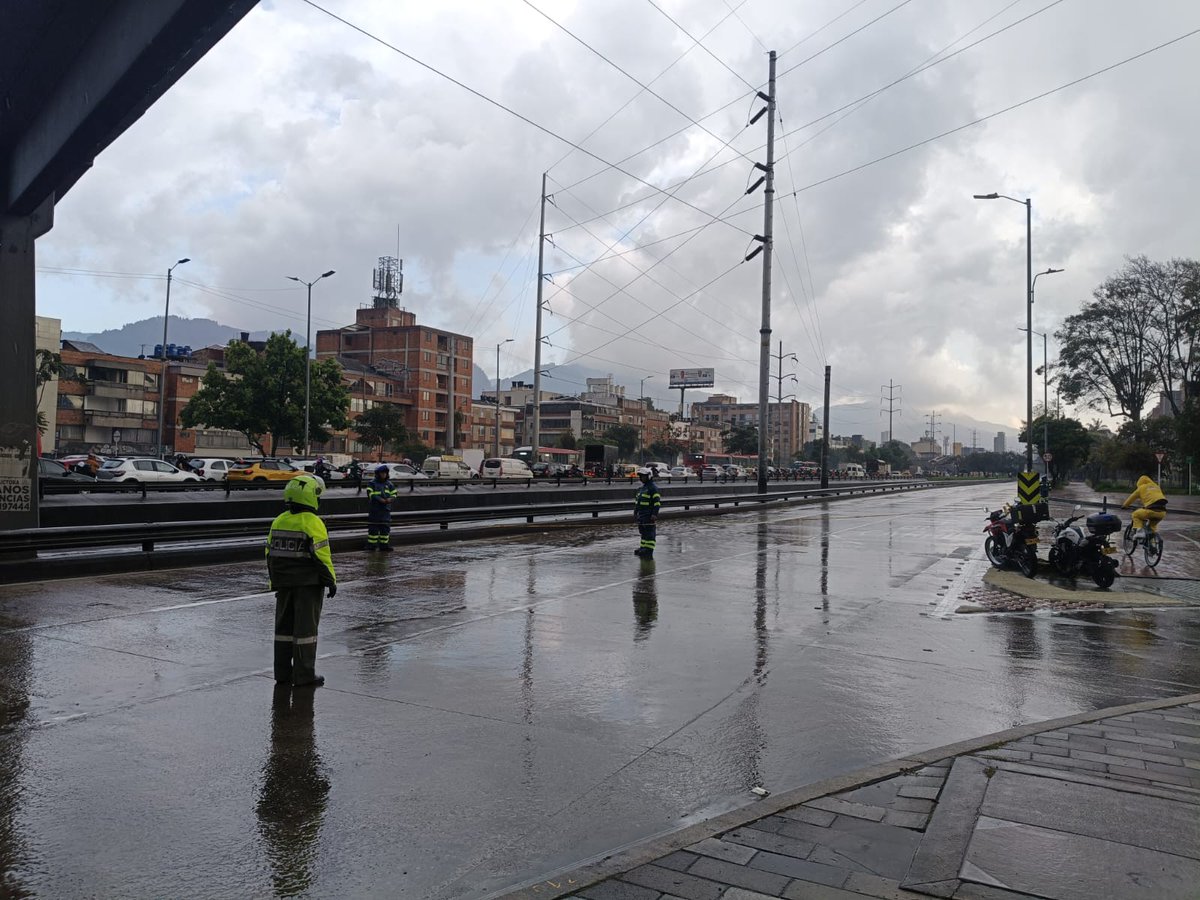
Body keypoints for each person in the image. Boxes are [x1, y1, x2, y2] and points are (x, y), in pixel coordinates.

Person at [266, 475, 336, 688]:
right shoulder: (313, 522)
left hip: (284, 584)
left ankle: (282, 673)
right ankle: (304, 675)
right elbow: (321, 557)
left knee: (283, 631)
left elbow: (269, 554)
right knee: (305, 632)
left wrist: (275, 583)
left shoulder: (279, 520)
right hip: (308, 585)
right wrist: (331, 581)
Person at [1121, 475, 1168, 540]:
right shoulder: (1157, 487)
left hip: (1151, 511)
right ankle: (1152, 546)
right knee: (1152, 528)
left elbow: (1131, 498)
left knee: (1135, 515)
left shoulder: (1141, 488)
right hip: (1162, 513)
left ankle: (1140, 532)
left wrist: (1124, 506)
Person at [365, 464, 397, 552]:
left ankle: (384, 546)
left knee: (385, 529)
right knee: (373, 530)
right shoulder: (372, 483)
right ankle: (371, 546)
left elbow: (394, 493)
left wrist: (391, 498)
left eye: (385, 473)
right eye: (382, 473)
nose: (384, 475)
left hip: (385, 510)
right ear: (378, 474)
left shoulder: (389, 484)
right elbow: (370, 494)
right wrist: (381, 500)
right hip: (375, 510)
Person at [633, 466, 661, 557]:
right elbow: (637, 502)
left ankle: (649, 550)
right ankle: (643, 547)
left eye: (643, 476)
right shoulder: (641, 489)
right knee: (643, 532)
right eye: (640, 476)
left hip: (649, 515)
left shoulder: (653, 488)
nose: (641, 478)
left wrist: (654, 514)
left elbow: (657, 503)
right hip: (641, 515)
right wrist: (635, 512)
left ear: (649, 476)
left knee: (650, 533)